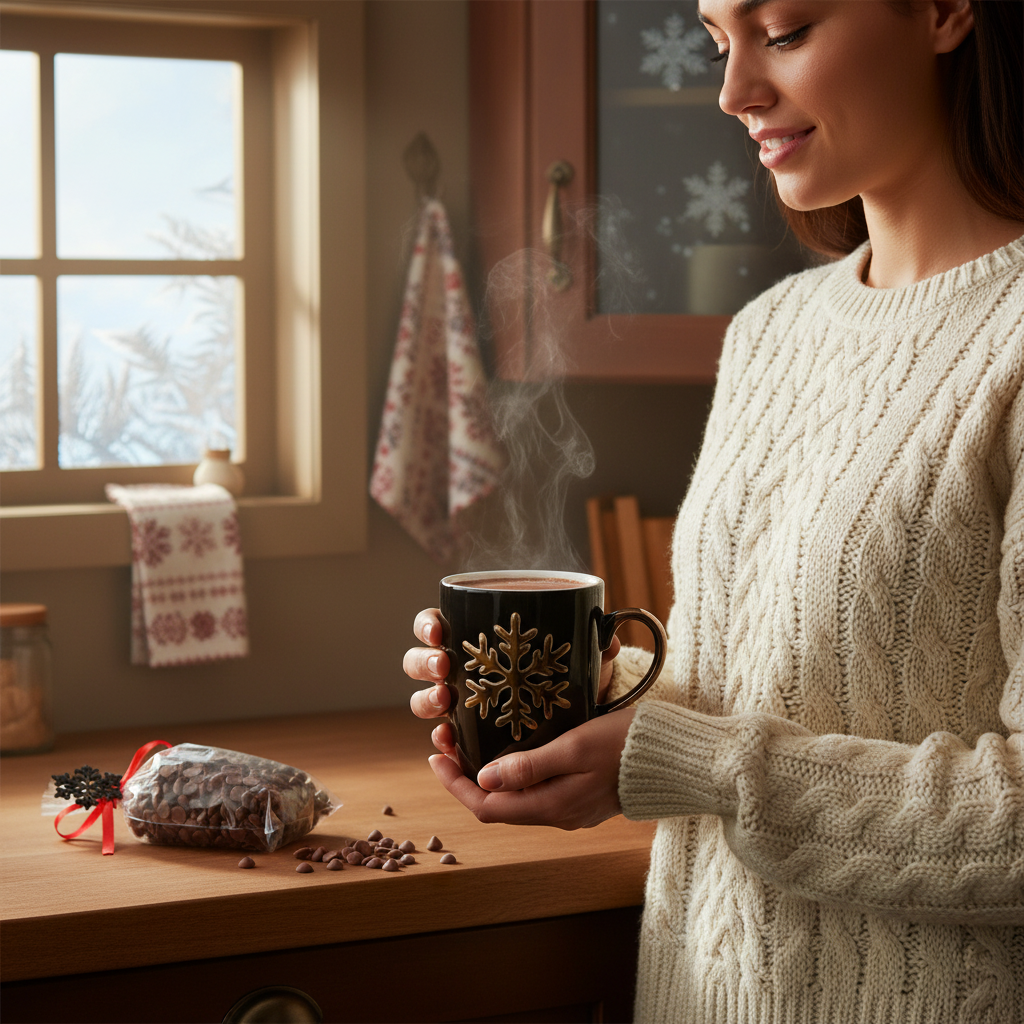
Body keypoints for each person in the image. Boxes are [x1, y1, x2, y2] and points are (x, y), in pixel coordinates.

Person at [405, 1, 1024, 1020]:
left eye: (783, 30)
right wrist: (576, 702)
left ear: (946, 11)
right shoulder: (769, 334)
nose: (734, 92)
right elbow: (758, 687)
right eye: (717, 41)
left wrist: (683, 762)